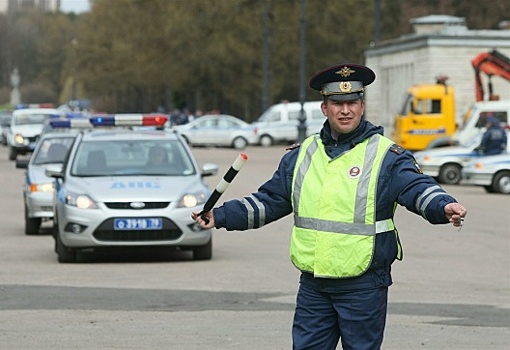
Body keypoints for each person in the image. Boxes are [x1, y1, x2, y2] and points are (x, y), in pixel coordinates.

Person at [191, 63, 467, 349]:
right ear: (325, 108)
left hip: (363, 284)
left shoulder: (387, 155)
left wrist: (442, 205)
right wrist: (220, 215)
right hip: (314, 284)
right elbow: (269, 201)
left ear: (362, 106)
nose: (345, 110)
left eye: (352, 103)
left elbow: (416, 187)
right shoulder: (301, 155)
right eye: (337, 103)